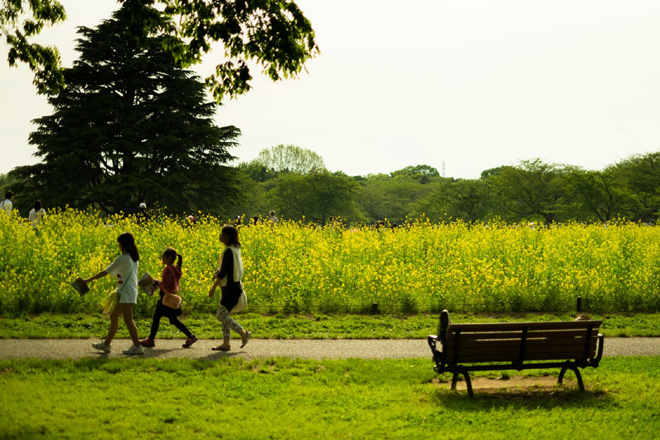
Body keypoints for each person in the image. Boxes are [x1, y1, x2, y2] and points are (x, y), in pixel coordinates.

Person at [83, 232, 144, 355]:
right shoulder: (134, 258)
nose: (119, 246)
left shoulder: (123, 258)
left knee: (128, 320)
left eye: (119, 244)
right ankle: (106, 345)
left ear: (123, 244)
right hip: (129, 291)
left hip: (126, 292)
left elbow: (106, 272)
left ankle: (137, 346)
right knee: (114, 316)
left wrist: (88, 280)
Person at [140, 248, 197, 348]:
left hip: (166, 298)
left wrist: (156, 282)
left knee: (158, 317)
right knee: (171, 320)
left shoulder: (167, 269)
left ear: (169, 257)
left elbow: (166, 284)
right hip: (171, 296)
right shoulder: (175, 268)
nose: (162, 258)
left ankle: (150, 340)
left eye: (163, 256)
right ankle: (190, 336)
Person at [208, 225, 251, 351]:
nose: (220, 236)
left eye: (222, 233)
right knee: (224, 314)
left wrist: (213, 288)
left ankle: (243, 333)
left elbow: (224, 273)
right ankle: (226, 343)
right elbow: (227, 269)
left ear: (227, 236)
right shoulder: (235, 249)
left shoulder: (229, 251)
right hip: (232, 286)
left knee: (221, 316)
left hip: (231, 288)